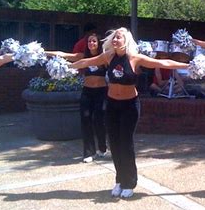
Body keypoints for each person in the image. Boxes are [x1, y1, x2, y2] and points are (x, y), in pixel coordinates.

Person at [70, 27, 189, 198]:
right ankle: (119, 180)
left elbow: (163, 63)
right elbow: (86, 62)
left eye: (118, 37)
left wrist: (187, 65)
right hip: (112, 105)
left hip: (130, 106)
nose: (115, 40)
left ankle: (130, 182)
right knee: (114, 143)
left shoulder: (134, 58)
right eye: (114, 38)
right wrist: (69, 66)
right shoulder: (108, 56)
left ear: (125, 40)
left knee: (125, 143)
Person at [46, 33, 108, 163]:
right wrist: (45, 52)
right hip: (87, 92)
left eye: (94, 41)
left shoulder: (104, 58)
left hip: (101, 92)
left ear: (98, 43)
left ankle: (102, 147)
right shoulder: (83, 57)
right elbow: (64, 54)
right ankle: (88, 153)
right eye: (89, 41)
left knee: (98, 120)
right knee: (85, 119)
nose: (91, 43)